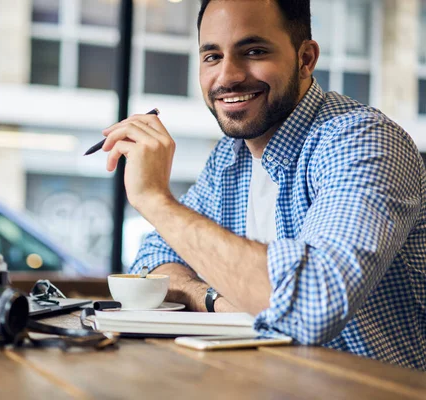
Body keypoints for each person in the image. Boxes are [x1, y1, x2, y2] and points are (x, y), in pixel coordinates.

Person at [100, 0, 426, 370]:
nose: (227, 76)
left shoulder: (362, 140)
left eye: (253, 51)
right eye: (212, 57)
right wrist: (214, 299)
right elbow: (154, 261)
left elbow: (311, 304)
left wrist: (156, 200)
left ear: (305, 59)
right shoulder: (229, 157)